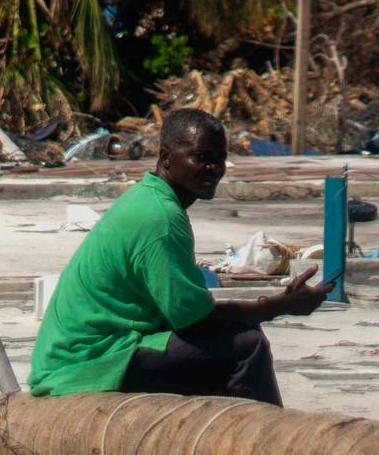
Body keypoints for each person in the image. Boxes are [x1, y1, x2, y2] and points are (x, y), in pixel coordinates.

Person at [27, 108, 330, 404]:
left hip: (90, 352)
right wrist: (278, 305)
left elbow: (192, 313)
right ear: (165, 158)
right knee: (246, 346)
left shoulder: (152, 197)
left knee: (234, 335)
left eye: (220, 160)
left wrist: (270, 307)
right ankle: (261, 447)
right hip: (88, 361)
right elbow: (194, 320)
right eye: (202, 158)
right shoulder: (161, 217)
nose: (214, 169)